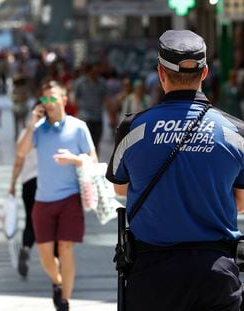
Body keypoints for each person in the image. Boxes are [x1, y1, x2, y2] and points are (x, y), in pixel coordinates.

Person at [106, 30, 244, 311]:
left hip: (153, 274)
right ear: (204, 72)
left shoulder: (134, 128)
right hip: (216, 273)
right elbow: (241, 203)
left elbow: (120, 187)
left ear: (160, 73)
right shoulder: (235, 131)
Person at [17, 81, 97, 311]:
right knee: (43, 252)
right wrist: (32, 124)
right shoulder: (39, 129)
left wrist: (73, 158)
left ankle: (64, 301)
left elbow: (92, 158)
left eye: (53, 98)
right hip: (43, 199)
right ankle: (58, 282)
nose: (49, 103)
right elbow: (21, 152)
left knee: (65, 248)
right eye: (45, 99)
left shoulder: (78, 127)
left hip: (70, 197)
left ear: (64, 100)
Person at [9, 130, 38, 278]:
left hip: (29, 182)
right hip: (49, 183)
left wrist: (13, 183)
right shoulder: (55, 131)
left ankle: (26, 248)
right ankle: (57, 256)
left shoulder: (26, 133)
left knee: (30, 220)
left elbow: (18, 161)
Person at [74, 61, 108, 151]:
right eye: (93, 72)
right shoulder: (80, 83)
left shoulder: (102, 83)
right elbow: (75, 99)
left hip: (98, 117)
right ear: (88, 72)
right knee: (85, 142)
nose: (95, 74)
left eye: (97, 72)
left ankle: (94, 162)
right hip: (85, 117)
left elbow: (106, 99)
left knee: (96, 143)